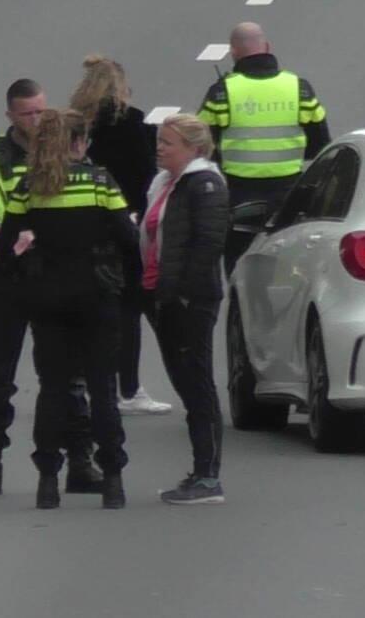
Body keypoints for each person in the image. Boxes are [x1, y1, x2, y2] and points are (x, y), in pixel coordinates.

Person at [0, 79, 100, 497]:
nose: (37, 121)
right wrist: (11, 240)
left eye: (41, 111)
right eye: (27, 114)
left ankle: (80, 461)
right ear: (10, 117)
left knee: (67, 377)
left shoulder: (70, 147)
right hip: (7, 278)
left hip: (58, 278)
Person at [0, 108, 136, 510]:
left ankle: (47, 480)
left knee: (52, 389)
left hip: (47, 297)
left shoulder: (30, 186)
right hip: (96, 295)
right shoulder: (99, 182)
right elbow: (127, 237)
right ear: (78, 143)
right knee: (102, 389)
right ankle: (112, 480)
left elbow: (6, 244)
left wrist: (30, 259)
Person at [69, 55, 170, 416]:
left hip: (80, 225)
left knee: (87, 309)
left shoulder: (76, 124)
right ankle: (128, 387)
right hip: (122, 224)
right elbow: (144, 177)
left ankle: (87, 383)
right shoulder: (130, 122)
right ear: (120, 86)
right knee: (128, 308)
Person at [141, 115, 228, 504]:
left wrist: (183, 294)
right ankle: (200, 471)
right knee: (183, 382)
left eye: (169, 142)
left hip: (191, 299)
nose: (160, 147)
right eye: (159, 140)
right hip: (162, 295)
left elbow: (208, 244)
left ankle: (209, 477)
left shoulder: (205, 184)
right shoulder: (164, 183)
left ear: (194, 148)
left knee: (197, 383)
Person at [197, 21, 330, 276]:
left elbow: (202, 146)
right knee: (287, 267)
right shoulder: (299, 88)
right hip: (288, 193)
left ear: (233, 52)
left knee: (239, 265)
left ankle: (244, 313)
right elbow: (320, 143)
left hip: (239, 194)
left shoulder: (222, 92)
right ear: (267, 47)